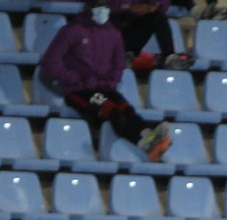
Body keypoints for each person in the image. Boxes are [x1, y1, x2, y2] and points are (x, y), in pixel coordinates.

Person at [38, 1, 173, 162]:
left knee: (126, 109)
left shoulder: (113, 34)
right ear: (90, 8)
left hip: (105, 87)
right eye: (99, 7)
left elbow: (119, 63)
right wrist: (74, 79)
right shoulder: (71, 31)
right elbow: (49, 63)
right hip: (79, 90)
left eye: (105, 7)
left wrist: (112, 81)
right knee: (112, 110)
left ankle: (148, 136)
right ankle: (143, 142)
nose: (103, 11)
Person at [111, 0, 193, 71]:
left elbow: (164, 5)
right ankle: (120, 55)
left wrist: (154, 5)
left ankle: (169, 58)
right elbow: (113, 6)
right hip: (120, 27)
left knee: (158, 17)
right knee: (112, 18)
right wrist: (130, 6)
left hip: (137, 28)